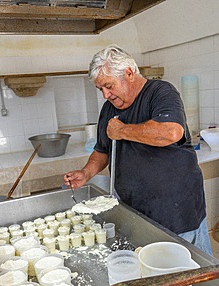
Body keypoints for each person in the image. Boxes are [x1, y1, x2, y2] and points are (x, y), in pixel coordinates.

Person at [64, 45, 212, 255]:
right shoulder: (109, 109)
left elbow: (171, 132)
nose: (105, 95)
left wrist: (122, 130)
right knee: (152, 268)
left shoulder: (160, 92)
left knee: (194, 272)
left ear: (129, 73)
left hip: (176, 211)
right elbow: (102, 151)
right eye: (101, 90)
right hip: (136, 212)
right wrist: (85, 173)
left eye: (108, 86)